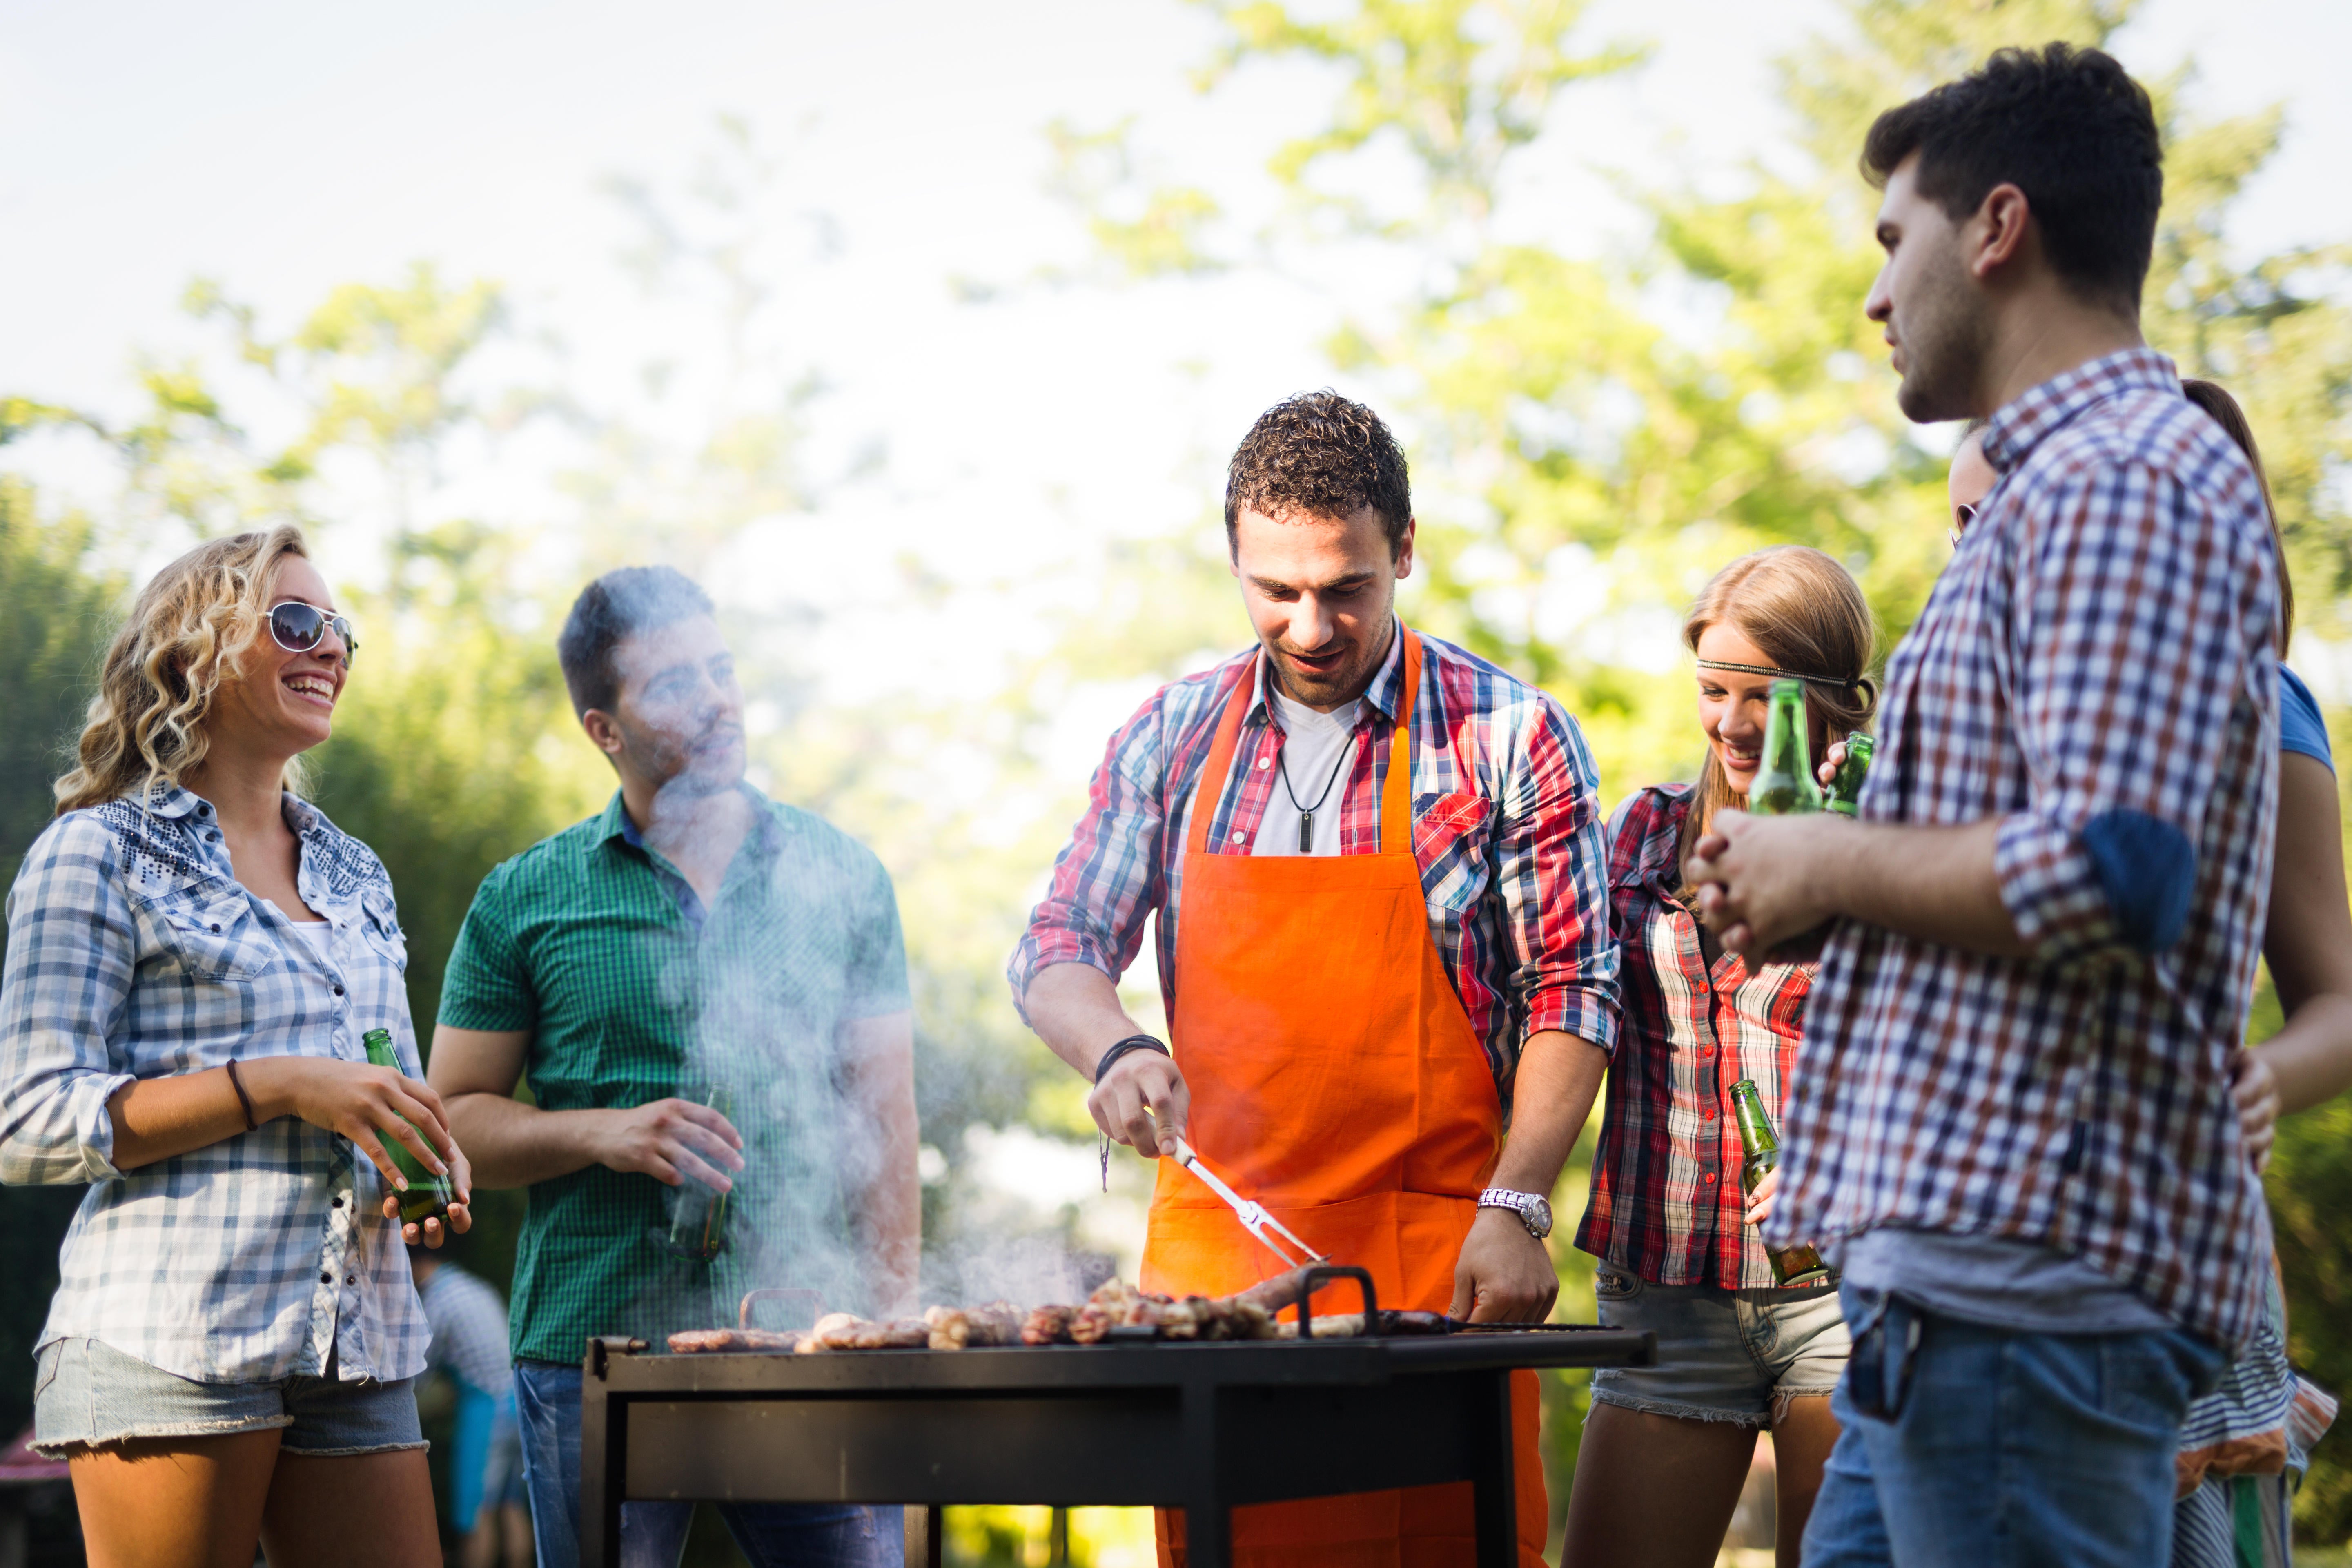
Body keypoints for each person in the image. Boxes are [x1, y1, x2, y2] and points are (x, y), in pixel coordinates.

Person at [1687, 46, 2280, 1568]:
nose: (1876, 297)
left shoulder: (2113, 483)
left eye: (1895, 241)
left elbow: (2111, 868)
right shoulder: (2048, 495)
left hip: (2028, 1299)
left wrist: (1820, 851)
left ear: (1995, 229)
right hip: (1945, 1306)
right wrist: (1812, 887)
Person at [1011, 390, 1619, 1568]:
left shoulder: (1506, 735)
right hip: (1219, 1292)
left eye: (1347, 589)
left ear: (1404, 551)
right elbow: (1060, 943)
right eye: (1275, 590)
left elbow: (1573, 990)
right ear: (1236, 562)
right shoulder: (1172, 734)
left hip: (1436, 1271)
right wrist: (1120, 1048)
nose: (1309, 626)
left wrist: (1521, 1203)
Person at [426, 566, 916, 1568]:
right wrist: (602, 1132)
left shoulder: (843, 875)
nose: (716, 700)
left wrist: (893, 1328)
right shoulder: (526, 896)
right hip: (592, 1354)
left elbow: (887, 1122)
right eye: (673, 682)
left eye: (720, 668)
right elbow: (451, 1122)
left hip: (806, 1341)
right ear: (604, 728)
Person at [0, 527, 471, 1568]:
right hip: (170, 1335)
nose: (332, 649)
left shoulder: (355, 871)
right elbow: (28, 1120)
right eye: (297, 622)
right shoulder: (96, 851)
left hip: (359, 1342)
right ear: (190, 650)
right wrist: (281, 1085)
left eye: (340, 630)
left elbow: (384, 1073)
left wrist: (419, 1151)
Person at [1947, 378, 2350, 1567]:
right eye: (1961, 522)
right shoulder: (1970, 719)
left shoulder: (2258, 708)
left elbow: (2337, 998)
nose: (1977, 549)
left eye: (2002, 514)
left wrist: (2266, 1075)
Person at [1564, 546, 1874, 1568]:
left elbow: (1958, 1047)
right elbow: (1564, 1010)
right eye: (1713, 688)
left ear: (1835, 697)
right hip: (1668, 1286)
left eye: (1766, 695)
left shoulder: (1889, 841)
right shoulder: (1644, 835)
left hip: (1844, 1286)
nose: (1733, 722)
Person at [411, 1245, 533, 1568]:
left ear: (415, 1264)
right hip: (518, 1402)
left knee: (475, 1515)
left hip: (487, 1409)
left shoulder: (438, 1299)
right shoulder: (474, 1286)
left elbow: (418, 1372)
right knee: (511, 1507)